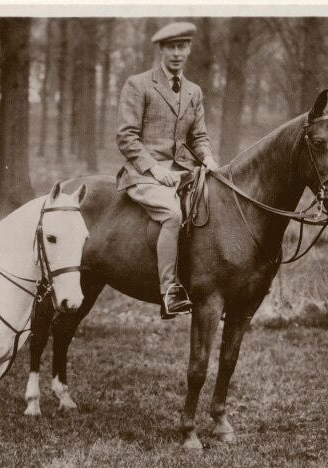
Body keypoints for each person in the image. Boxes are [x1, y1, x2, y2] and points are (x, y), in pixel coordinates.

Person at [115, 21, 219, 319]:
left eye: (182, 47)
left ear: (189, 49)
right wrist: (153, 169)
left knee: (216, 207)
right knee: (173, 215)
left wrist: (208, 158)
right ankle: (169, 291)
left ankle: (207, 280)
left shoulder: (193, 91)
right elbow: (126, 136)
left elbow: (199, 136)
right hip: (143, 174)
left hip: (184, 173)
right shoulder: (139, 84)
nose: (177, 53)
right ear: (161, 50)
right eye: (171, 47)